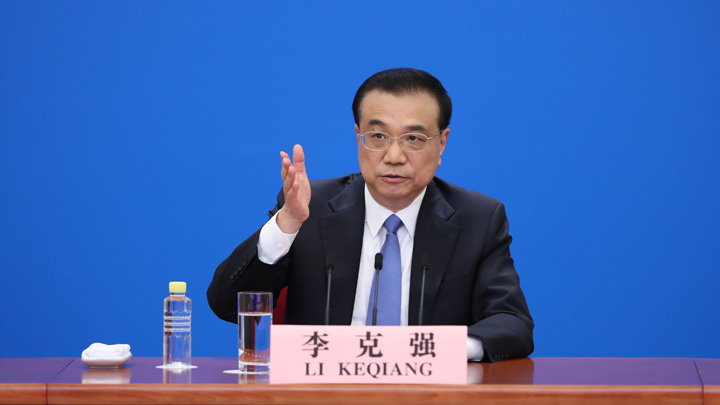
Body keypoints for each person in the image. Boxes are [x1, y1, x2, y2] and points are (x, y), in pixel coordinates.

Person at [207, 68, 533, 362]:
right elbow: (227, 305)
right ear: (358, 136)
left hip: (430, 393)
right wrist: (287, 223)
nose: (394, 156)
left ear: (442, 143)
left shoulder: (477, 219)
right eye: (378, 136)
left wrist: (445, 350)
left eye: (413, 139)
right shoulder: (310, 209)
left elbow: (512, 322)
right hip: (322, 393)